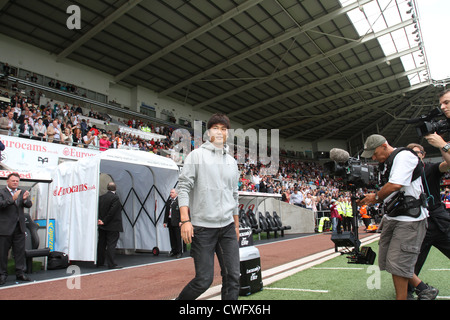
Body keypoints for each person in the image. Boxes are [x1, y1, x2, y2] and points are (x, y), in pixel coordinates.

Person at [176, 113, 240, 300]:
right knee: (204, 280)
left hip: (227, 228)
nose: (220, 132)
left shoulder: (232, 162)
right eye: (216, 128)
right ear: (208, 132)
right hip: (203, 228)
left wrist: (236, 225)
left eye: (224, 129)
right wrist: (185, 220)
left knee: (233, 277)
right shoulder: (196, 156)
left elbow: (234, 195)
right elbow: (183, 188)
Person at [358, 134, 428, 300]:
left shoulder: (403, 156)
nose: (374, 158)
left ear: (384, 145)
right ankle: (423, 288)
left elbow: (396, 184)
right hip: (395, 216)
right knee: (390, 261)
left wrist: (375, 197)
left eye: (374, 153)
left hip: (410, 219)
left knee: (398, 263)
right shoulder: (388, 162)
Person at [404, 140, 450, 299]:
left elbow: (448, 164)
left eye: (417, 153)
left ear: (423, 155)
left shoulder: (430, 168)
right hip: (418, 224)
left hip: (439, 222)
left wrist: (442, 145)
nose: (415, 157)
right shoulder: (404, 175)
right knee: (412, 262)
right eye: (411, 154)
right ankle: (407, 291)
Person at [0, 173, 33, 285]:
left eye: (17, 181)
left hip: (19, 227)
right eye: (13, 181)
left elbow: (29, 204)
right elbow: (1, 204)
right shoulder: (1, 192)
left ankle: (20, 273)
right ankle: (2, 275)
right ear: (7, 182)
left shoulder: (22, 192)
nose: (15, 183)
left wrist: (24, 199)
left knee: (19, 252)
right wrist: (12, 199)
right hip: (5, 228)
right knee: (3, 253)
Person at [97, 182, 123, 269]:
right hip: (112, 225)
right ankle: (111, 263)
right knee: (111, 244)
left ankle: (100, 262)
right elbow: (112, 212)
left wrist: (100, 220)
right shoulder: (115, 198)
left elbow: (99, 210)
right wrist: (104, 221)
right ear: (115, 188)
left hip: (102, 225)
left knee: (101, 244)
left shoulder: (101, 198)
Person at [163, 189, 182, 258]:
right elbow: (166, 212)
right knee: (172, 237)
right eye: (170, 192)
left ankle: (179, 251)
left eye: (172, 192)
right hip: (170, 221)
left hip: (177, 222)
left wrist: (181, 221)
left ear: (176, 194)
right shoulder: (169, 201)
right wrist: (165, 221)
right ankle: (173, 250)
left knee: (177, 237)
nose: (171, 193)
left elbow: (181, 212)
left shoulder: (179, 201)